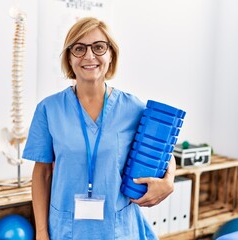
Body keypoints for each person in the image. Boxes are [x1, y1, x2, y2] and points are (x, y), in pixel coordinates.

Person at [22, 17, 176, 240]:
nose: (89, 56)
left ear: (111, 54)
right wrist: (41, 232)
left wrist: (169, 180)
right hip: (66, 230)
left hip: (119, 229)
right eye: (79, 48)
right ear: (69, 58)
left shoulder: (132, 108)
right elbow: (42, 173)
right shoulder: (49, 109)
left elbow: (164, 150)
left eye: (99, 47)